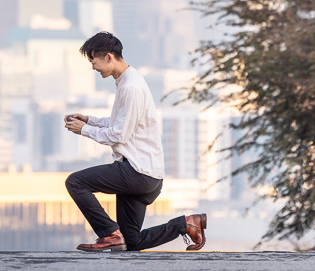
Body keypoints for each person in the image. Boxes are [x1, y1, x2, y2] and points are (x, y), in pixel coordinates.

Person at [64, 31, 207, 252]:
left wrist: (85, 130)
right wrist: (89, 120)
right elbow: (121, 122)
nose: (93, 68)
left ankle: (109, 234)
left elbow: (118, 135)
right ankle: (186, 224)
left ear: (109, 57)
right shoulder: (128, 80)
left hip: (137, 172)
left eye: (94, 62)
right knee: (132, 242)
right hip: (147, 174)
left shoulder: (130, 87)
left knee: (75, 183)